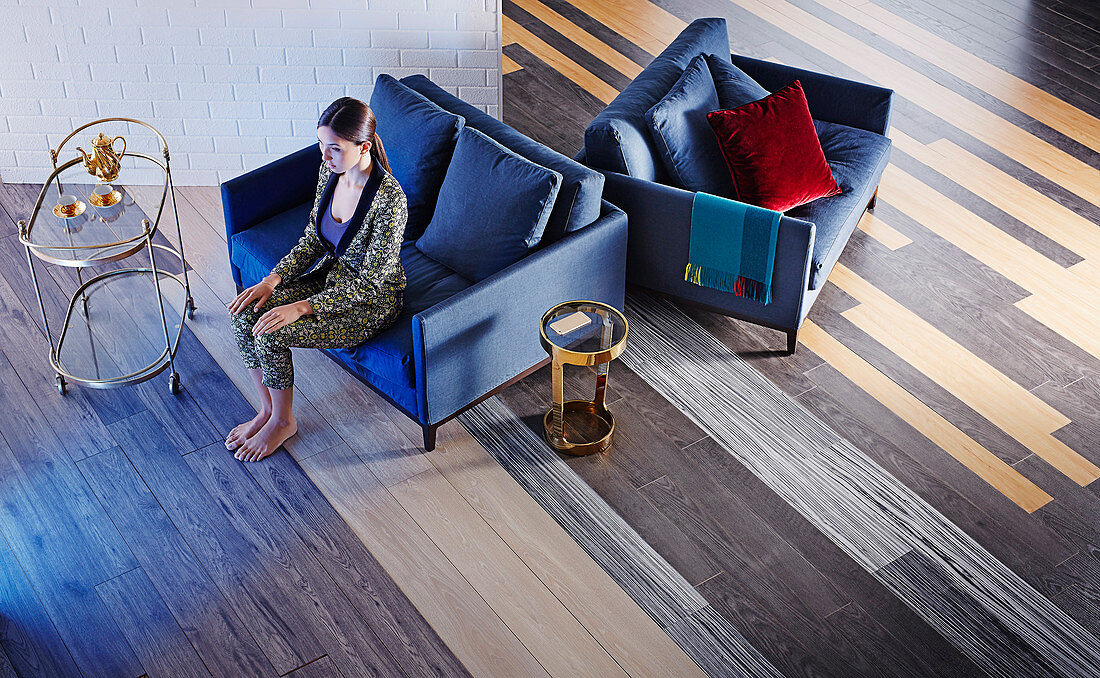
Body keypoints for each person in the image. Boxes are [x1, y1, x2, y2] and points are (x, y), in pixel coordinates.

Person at [225, 97, 407, 462]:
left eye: (334, 149)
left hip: (369, 303)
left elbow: (369, 284)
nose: (324, 156)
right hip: (332, 277)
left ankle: (283, 421)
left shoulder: (390, 202)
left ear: (364, 147)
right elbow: (313, 238)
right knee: (244, 314)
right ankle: (267, 410)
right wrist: (272, 281)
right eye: (322, 146)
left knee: (272, 332)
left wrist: (301, 307)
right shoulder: (331, 173)